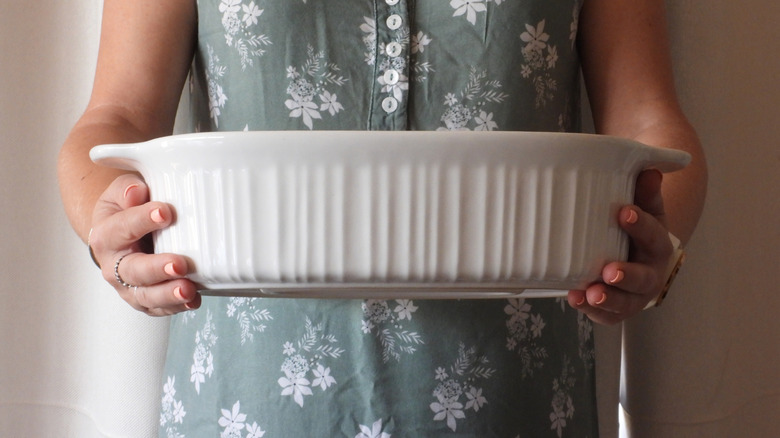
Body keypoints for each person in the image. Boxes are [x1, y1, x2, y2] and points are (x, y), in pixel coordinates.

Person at [58, 0, 707, 436]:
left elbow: (650, 118)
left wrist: (655, 244)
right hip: (247, 406)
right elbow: (114, 117)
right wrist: (114, 238)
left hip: (516, 403)